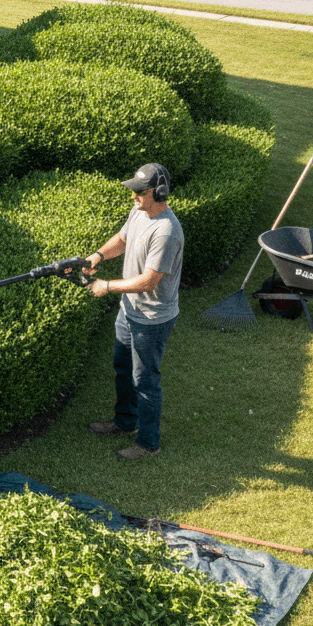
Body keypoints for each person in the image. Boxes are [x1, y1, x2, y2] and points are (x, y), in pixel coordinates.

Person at [82, 163, 184, 460]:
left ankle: (148, 443)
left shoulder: (167, 232)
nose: (134, 196)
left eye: (140, 192)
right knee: (122, 368)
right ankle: (125, 421)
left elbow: (150, 281)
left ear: (158, 192)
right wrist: (97, 256)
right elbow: (123, 239)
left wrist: (107, 286)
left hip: (152, 319)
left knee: (145, 380)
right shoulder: (139, 212)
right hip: (129, 312)